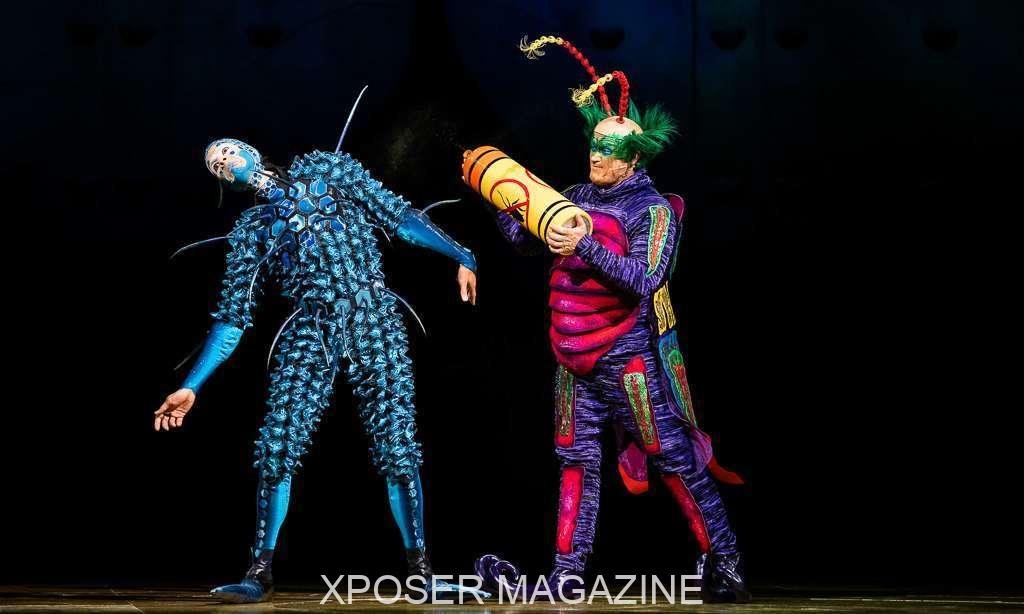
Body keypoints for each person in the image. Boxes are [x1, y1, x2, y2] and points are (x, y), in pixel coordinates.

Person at [475, 35, 750, 603]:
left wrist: (583, 245)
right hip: (570, 359)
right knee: (574, 462)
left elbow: (645, 279)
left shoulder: (652, 210)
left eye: (609, 149)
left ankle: (724, 562)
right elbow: (526, 241)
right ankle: (566, 574)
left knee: (671, 455)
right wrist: (511, 203)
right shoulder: (575, 194)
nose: (596, 156)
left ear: (635, 157)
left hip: (627, 359)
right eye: (594, 145)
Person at [155, 138, 484, 603]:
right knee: (277, 445)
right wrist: (192, 385)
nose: (223, 161)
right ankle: (259, 572)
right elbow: (232, 318)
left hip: (373, 316)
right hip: (309, 329)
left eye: (227, 151)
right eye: (215, 164)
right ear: (224, 182)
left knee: (398, 445)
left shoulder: (328, 169)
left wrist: (461, 254)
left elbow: (397, 215)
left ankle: (421, 572)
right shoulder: (252, 230)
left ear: (251, 150)